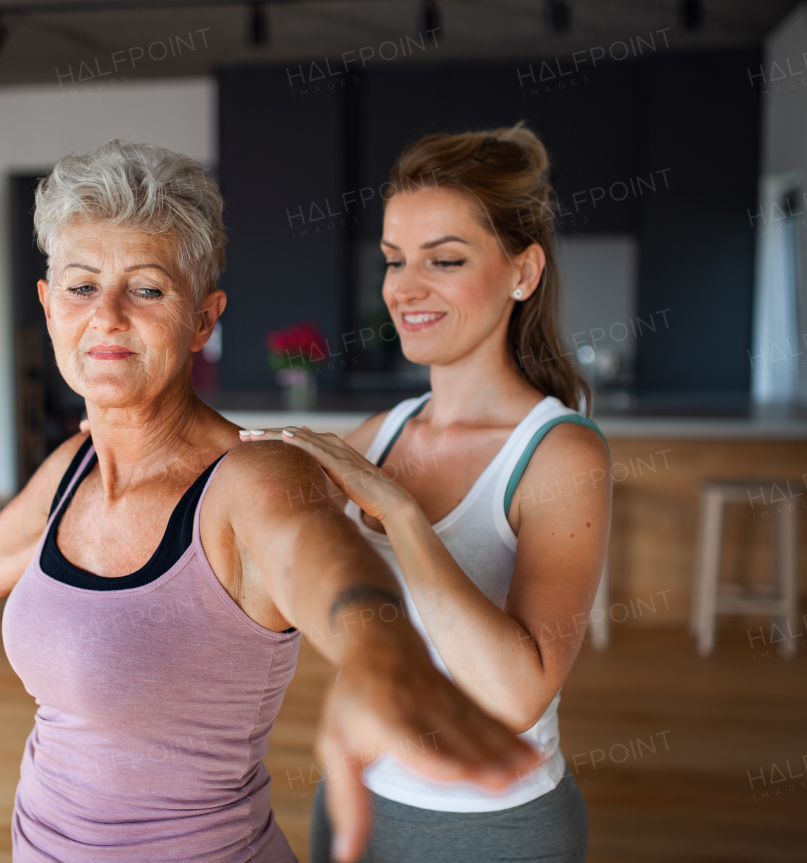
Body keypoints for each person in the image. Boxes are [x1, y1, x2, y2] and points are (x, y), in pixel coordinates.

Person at [0, 139, 539, 863]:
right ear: (48, 304)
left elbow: (317, 556)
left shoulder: (251, 477)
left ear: (203, 318)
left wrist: (381, 655)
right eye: (81, 285)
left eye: (147, 288)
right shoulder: (73, 466)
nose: (107, 316)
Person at [242, 125, 611, 863]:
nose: (404, 288)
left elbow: (517, 693)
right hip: (357, 806)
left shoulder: (558, 453)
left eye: (444, 260)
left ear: (523, 271)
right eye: (393, 260)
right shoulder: (384, 431)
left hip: (496, 830)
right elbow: (267, 546)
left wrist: (401, 512)